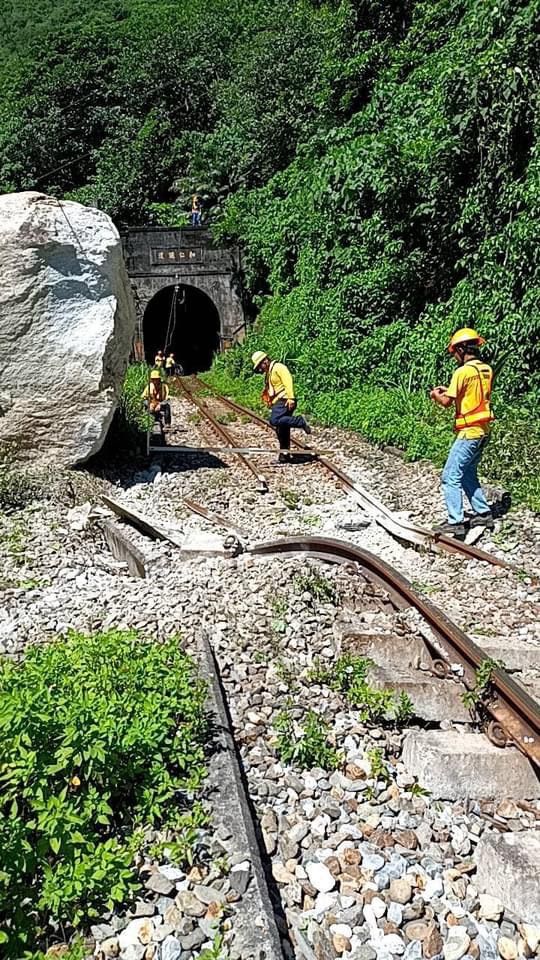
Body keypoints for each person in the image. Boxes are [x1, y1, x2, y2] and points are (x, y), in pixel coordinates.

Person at [430, 327, 494, 540]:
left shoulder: (462, 372)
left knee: (450, 477)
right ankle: (484, 513)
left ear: (460, 349)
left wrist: (435, 395)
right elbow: (469, 394)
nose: (454, 356)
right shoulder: (486, 369)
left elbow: (447, 402)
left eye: (454, 352)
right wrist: (449, 390)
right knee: (467, 473)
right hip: (483, 430)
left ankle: (455, 522)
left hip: (469, 432)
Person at [252, 351, 311, 463]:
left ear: (265, 360)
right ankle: (284, 455)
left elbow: (288, 381)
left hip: (284, 399)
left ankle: (300, 421)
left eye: (260, 365)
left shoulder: (278, 367)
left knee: (274, 420)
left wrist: (291, 398)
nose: (260, 368)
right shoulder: (269, 372)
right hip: (278, 401)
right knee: (281, 429)